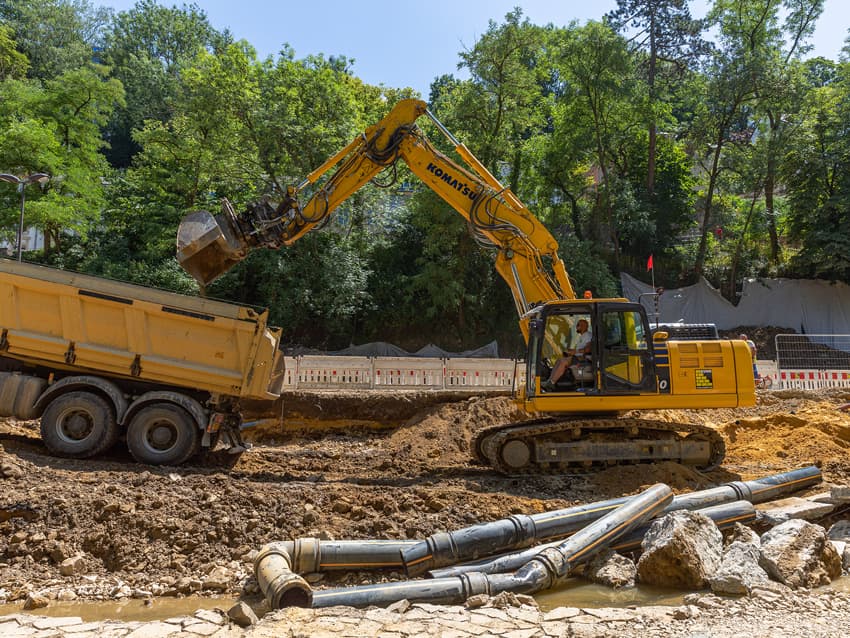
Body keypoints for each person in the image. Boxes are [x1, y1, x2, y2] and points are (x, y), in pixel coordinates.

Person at [543, 318, 592, 391]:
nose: (576, 326)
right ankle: (550, 381)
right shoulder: (583, 336)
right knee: (559, 360)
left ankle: (552, 383)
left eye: (578, 325)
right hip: (577, 357)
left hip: (582, 359)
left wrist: (575, 352)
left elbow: (588, 349)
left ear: (584, 326)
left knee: (563, 362)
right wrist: (571, 352)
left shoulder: (588, 335)